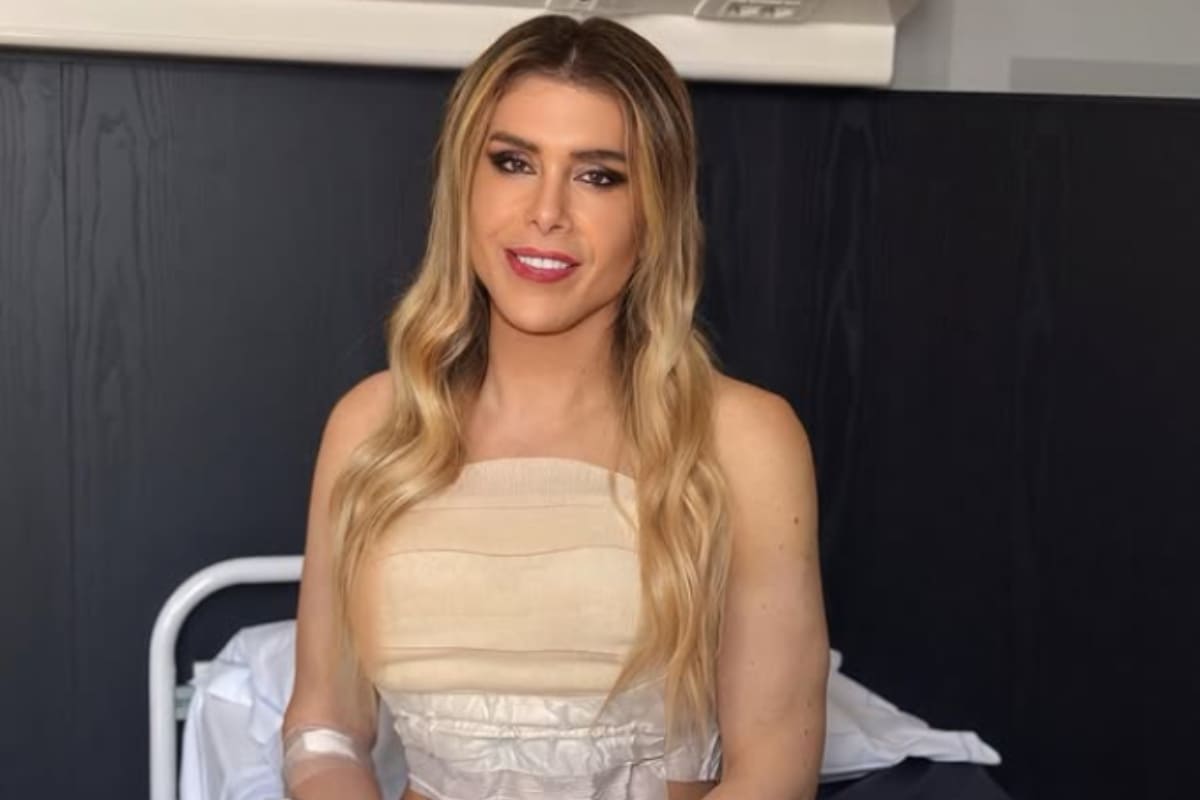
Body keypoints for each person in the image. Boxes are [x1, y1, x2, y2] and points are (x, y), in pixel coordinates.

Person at [281, 13, 828, 800]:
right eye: (513, 162)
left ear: (657, 211)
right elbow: (324, 725)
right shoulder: (373, 427)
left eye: (598, 176)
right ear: (464, 184)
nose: (547, 212)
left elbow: (775, 766)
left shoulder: (744, 439)